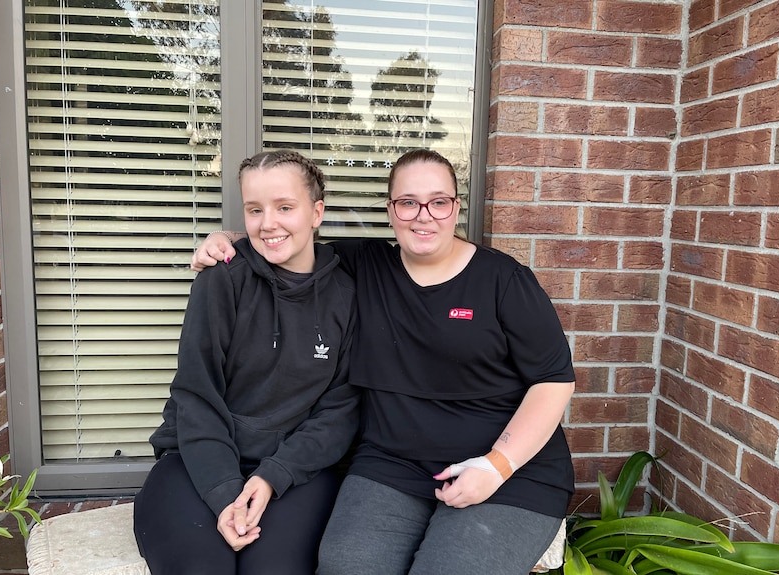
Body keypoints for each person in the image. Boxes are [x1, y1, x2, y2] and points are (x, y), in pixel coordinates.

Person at [191, 149, 576, 575]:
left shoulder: (504, 280)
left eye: (438, 202)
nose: (422, 216)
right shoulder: (366, 265)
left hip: (505, 473)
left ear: (455, 208)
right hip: (392, 465)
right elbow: (287, 240)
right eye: (408, 202)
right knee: (345, 566)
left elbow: (553, 381)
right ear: (391, 211)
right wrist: (227, 241)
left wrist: (496, 465)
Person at [134, 150, 359, 575]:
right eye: (255, 209)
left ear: (317, 213)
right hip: (195, 462)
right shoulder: (222, 279)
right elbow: (196, 395)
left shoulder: (347, 293)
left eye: (284, 207)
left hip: (296, 471)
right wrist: (223, 493)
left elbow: (341, 410)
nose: (267, 223)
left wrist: (274, 475)